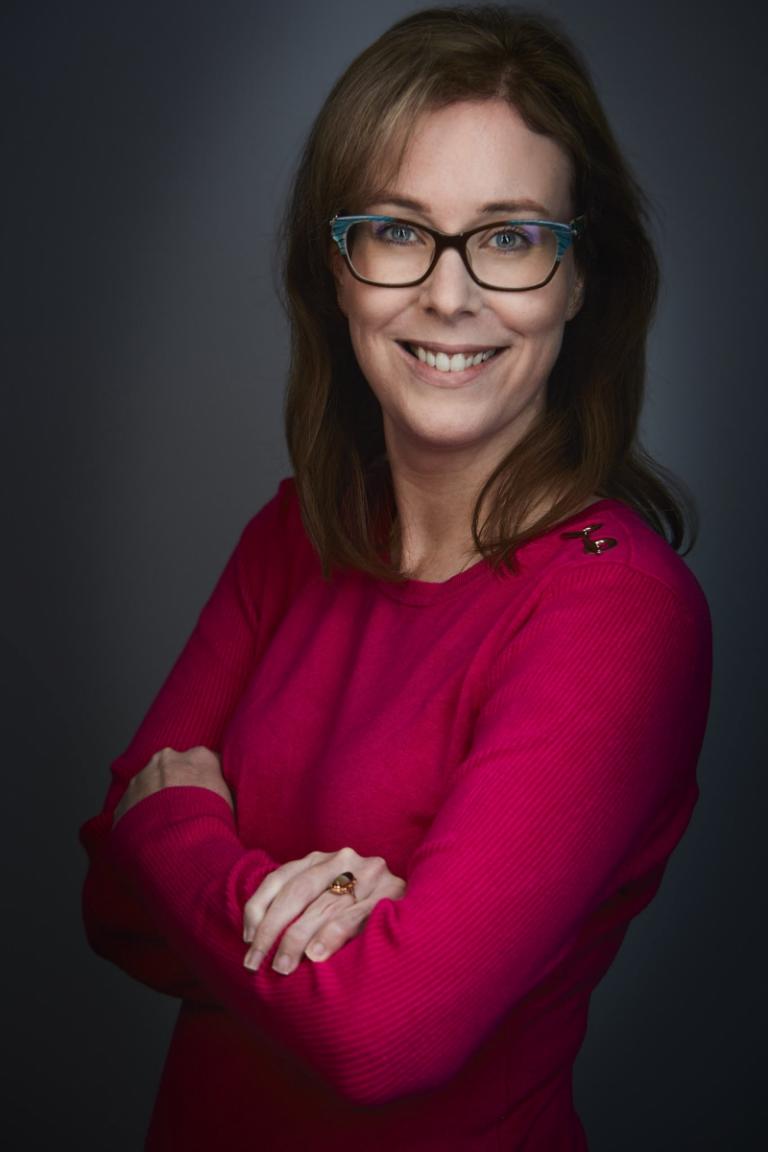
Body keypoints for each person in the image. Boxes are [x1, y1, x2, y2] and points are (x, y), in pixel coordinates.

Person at [79, 5, 712, 1149]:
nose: (451, 294)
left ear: (581, 281)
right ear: (338, 269)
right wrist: (294, 919)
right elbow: (112, 913)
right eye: (399, 231)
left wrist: (177, 822)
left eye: (512, 238)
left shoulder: (618, 616)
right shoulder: (293, 537)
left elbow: (383, 1037)